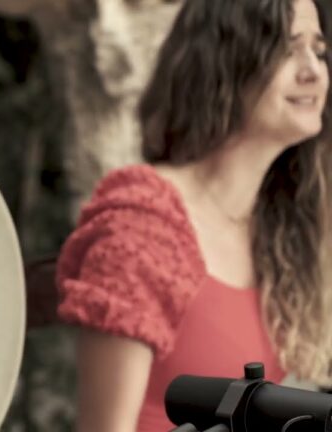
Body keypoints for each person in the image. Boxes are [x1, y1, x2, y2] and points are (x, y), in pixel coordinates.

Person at [56, 0, 332, 430]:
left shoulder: (280, 228)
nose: (313, 70)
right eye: (286, 49)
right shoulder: (142, 223)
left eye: (319, 50)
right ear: (226, 61)